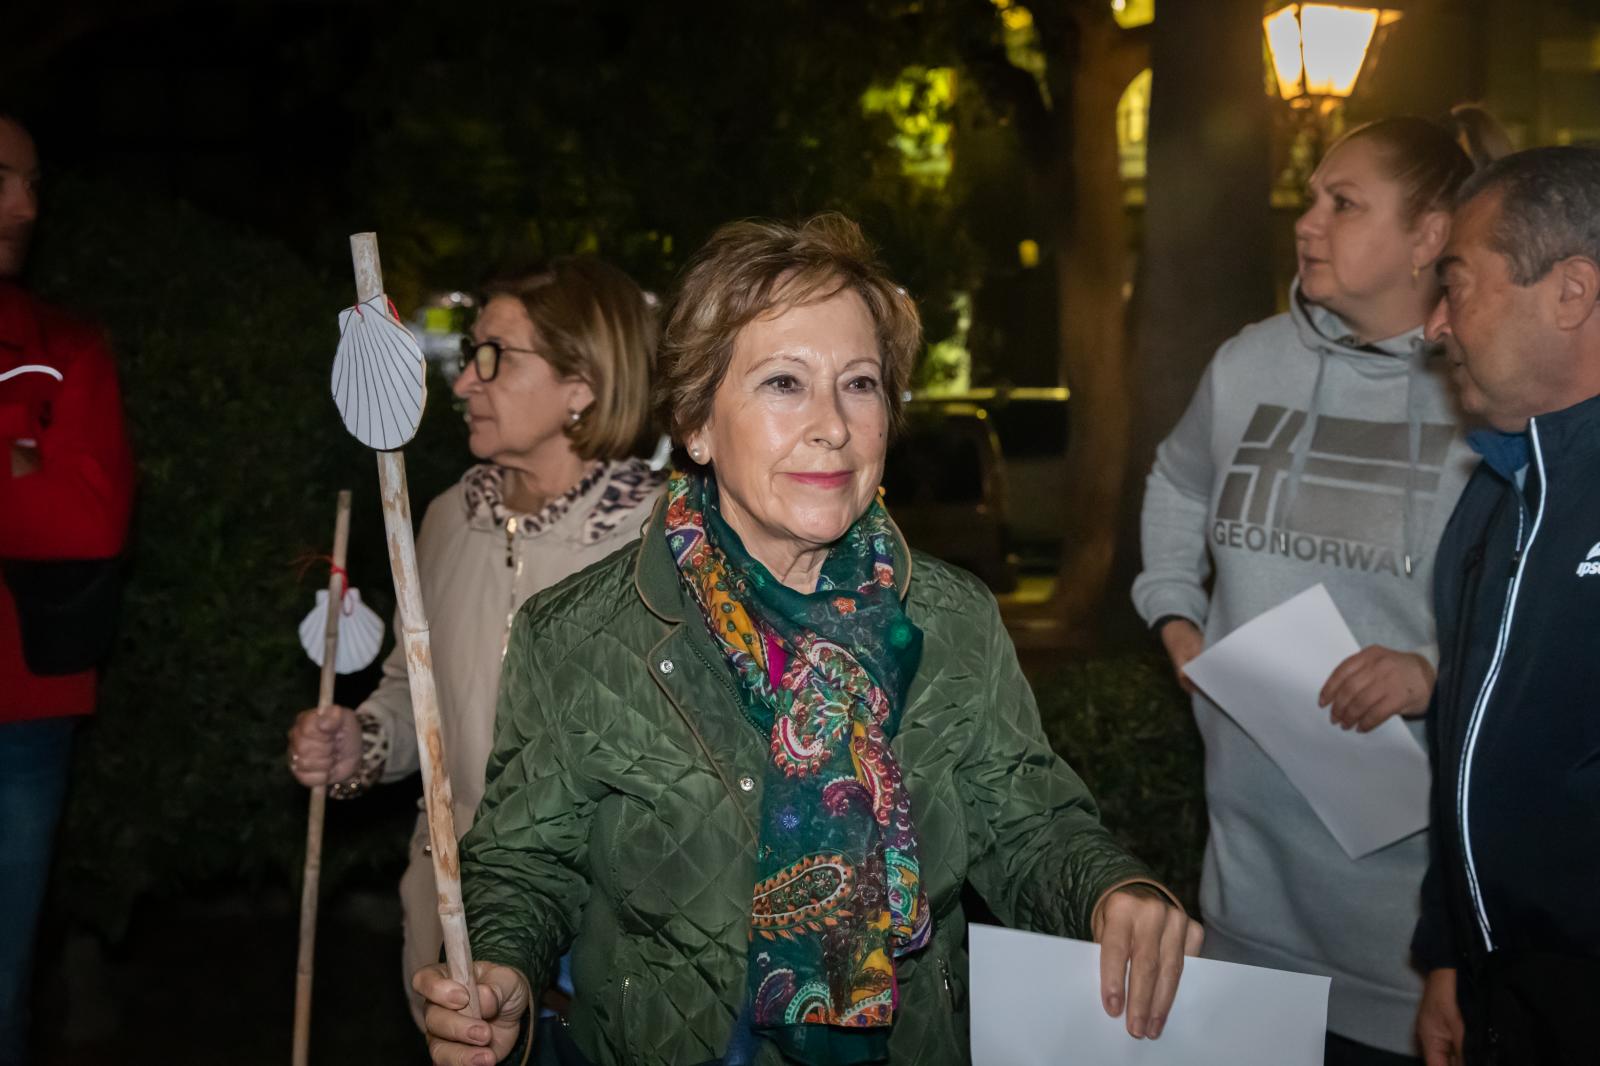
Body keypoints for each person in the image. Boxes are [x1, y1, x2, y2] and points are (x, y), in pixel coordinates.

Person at [415, 214, 1202, 1066]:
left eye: (860, 384)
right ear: (696, 422)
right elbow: (526, 862)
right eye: (784, 383)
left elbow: (1025, 819)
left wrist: (1108, 889)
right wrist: (501, 967)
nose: (832, 423)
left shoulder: (952, 618)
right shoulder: (580, 634)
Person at [1132, 116, 1492, 1065]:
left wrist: (1431, 674)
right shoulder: (1251, 363)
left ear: (1427, 237)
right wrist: (1175, 614)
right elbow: (1176, 484)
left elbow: (1537, 621)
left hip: (1408, 945)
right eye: (1310, 199)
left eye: (1345, 204)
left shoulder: (1484, 393)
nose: (1309, 223)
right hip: (1246, 901)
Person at [286, 256, 665, 1028]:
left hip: (599, 946)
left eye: (494, 358)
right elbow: (408, 691)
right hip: (444, 933)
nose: (462, 384)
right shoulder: (443, 519)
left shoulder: (660, 542)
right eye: (468, 358)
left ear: (582, 381)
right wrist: (360, 741)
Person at [1411, 145, 1600, 1066]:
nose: (1435, 327)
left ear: (1570, 293)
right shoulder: (1492, 493)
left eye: (1459, 285)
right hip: (1500, 997)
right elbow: (1463, 738)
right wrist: (1448, 952)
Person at [0, 113, 136, 1066]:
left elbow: (85, 523)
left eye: (35, 180)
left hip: (23, 715)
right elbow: (34, 497)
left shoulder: (63, 344)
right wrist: (19, 454)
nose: (27, 205)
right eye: (3, 177)